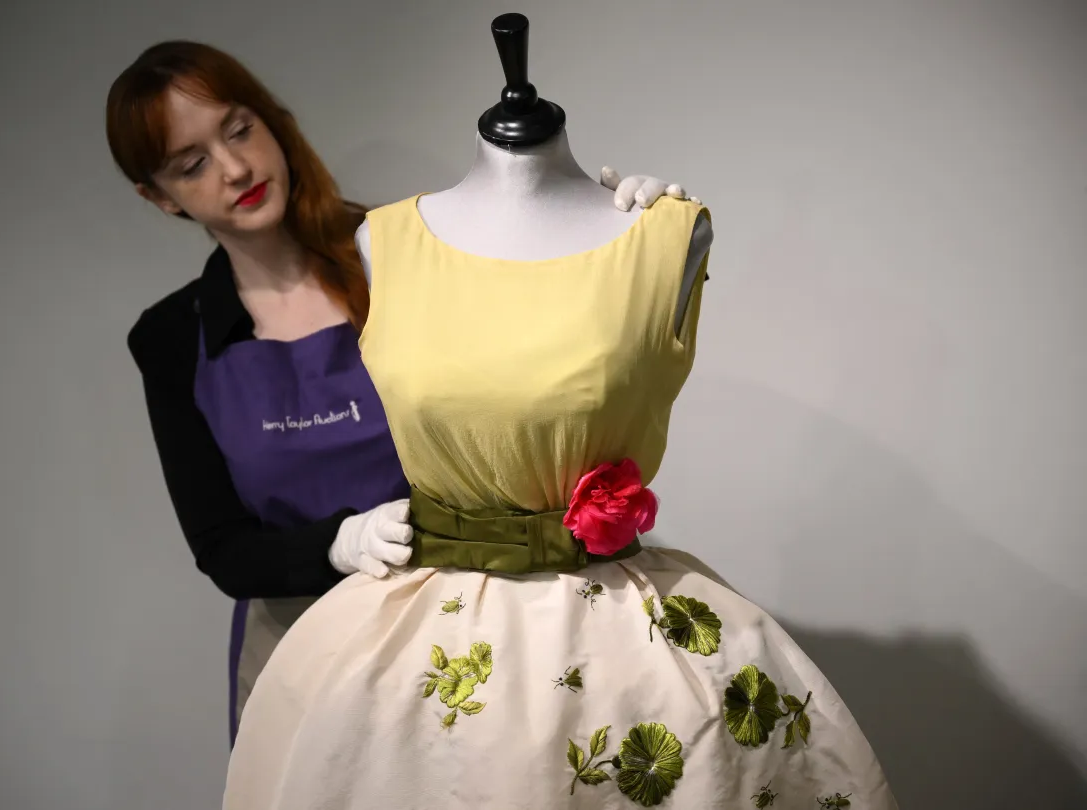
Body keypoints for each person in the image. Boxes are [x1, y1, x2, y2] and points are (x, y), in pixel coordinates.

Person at [219, 29, 900, 809]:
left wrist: (653, 242)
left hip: (617, 631)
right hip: (419, 627)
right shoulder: (386, 240)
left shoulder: (665, 230)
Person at [105, 39, 685, 746]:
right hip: (305, 656)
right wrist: (338, 544)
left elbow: (554, 385)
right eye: (191, 164)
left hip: (471, 630)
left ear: (272, 120)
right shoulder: (171, 337)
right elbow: (223, 547)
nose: (234, 169)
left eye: (239, 129)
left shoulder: (417, 251)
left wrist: (617, 233)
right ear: (159, 197)